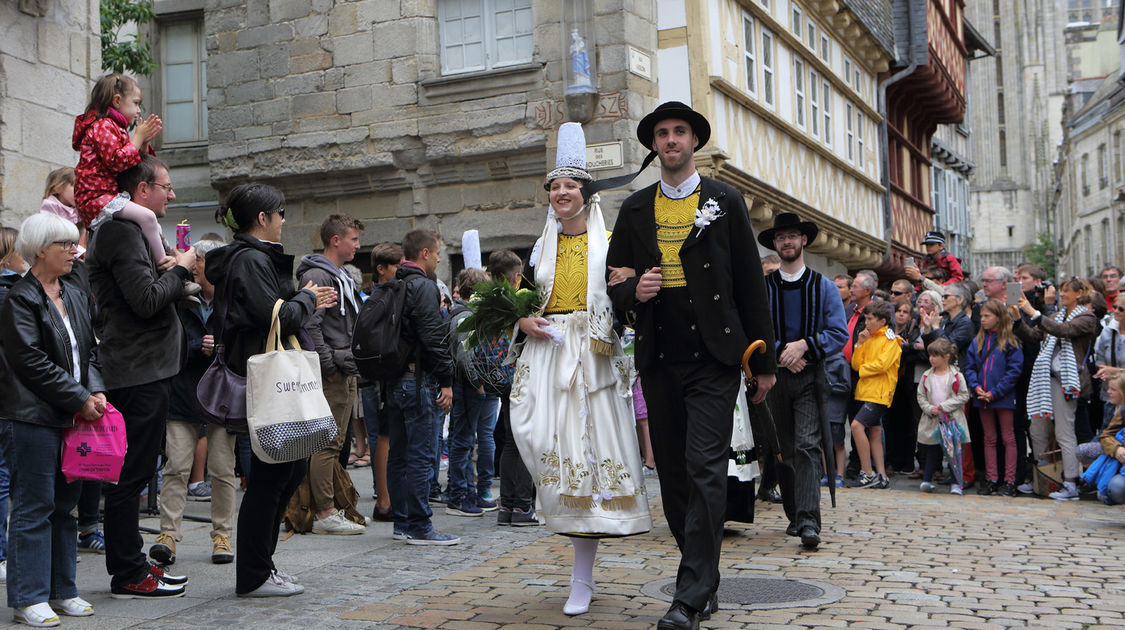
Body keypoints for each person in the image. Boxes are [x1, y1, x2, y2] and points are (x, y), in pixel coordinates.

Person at [605, 101, 776, 630]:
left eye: (680, 132)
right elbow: (612, 283)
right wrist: (637, 289)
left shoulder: (725, 201)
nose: (672, 140)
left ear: (694, 142)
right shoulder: (634, 208)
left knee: (705, 470)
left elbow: (750, 281)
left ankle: (689, 594)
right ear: (654, 145)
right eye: (663, 133)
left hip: (716, 357)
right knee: (674, 475)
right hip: (659, 355)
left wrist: (762, 360)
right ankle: (701, 577)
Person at [505, 122, 652, 615]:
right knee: (533, 432)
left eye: (569, 185)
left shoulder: (610, 244)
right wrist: (525, 320)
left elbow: (625, 300)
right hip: (547, 353)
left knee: (587, 459)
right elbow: (522, 302)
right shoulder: (539, 248)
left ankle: (581, 577)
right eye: (554, 187)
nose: (561, 192)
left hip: (592, 355)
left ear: (587, 194)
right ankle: (550, 518)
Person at [205, 182, 336, 596]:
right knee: (271, 475)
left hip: (266, 375)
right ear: (263, 218)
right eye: (280, 214)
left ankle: (263, 567)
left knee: (287, 468)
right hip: (265, 378)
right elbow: (276, 316)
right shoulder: (249, 260)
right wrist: (308, 298)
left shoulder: (251, 258)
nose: (283, 221)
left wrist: (304, 299)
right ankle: (255, 574)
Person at [85, 154, 195, 598]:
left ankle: (133, 566)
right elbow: (146, 301)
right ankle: (128, 572)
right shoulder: (120, 232)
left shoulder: (130, 232)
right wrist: (182, 269)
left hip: (147, 368)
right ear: (141, 190)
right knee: (131, 476)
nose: (171, 194)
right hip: (137, 371)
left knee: (136, 474)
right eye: (165, 187)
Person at [0, 213, 103, 625]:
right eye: (65, 245)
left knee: (66, 505)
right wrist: (80, 398)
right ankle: (28, 597)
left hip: (72, 413)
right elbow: (30, 362)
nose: (74, 251)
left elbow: (91, 350)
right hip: (31, 417)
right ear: (41, 249)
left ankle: (63, 591)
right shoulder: (18, 299)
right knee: (33, 505)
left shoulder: (74, 293)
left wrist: (95, 391)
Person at [758, 212, 847, 550]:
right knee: (783, 449)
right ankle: (794, 514)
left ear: (803, 240)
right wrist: (783, 351)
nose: (787, 242)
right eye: (781, 238)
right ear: (776, 244)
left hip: (810, 376)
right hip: (774, 378)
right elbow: (755, 331)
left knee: (808, 446)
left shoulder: (822, 286)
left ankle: (809, 520)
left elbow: (838, 332)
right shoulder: (763, 287)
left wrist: (805, 346)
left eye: (793, 236)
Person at [148, 238, 238, 567]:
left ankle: (222, 534)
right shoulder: (178, 296)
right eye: (196, 261)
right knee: (176, 467)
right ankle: (168, 534)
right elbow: (163, 341)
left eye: (198, 261)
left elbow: (245, 345)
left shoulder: (235, 299)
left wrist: (222, 347)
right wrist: (197, 344)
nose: (195, 266)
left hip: (222, 395)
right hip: (183, 390)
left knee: (223, 469)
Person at [72, 74, 197, 302]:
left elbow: (135, 165)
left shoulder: (115, 128)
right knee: (148, 217)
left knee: (153, 225)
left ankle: (170, 265)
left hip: (107, 194)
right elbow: (118, 161)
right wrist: (138, 137)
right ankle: (168, 272)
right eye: (136, 103)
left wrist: (144, 142)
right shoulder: (102, 126)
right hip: (96, 197)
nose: (139, 110)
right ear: (117, 101)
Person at [383, 229, 458, 545]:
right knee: (421, 455)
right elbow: (434, 340)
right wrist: (447, 380)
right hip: (419, 382)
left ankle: (402, 522)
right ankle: (419, 525)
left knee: (399, 454)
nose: (440, 258)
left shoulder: (393, 284)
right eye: (438, 253)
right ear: (425, 253)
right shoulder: (423, 287)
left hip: (395, 381)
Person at [295, 214, 367, 536]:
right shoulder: (317, 275)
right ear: (335, 240)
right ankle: (324, 512)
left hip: (344, 367)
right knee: (326, 443)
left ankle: (328, 505)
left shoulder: (339, 275)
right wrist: (329, 365)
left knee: (336, 441)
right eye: (353, 239)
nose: (358, 245)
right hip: (334, 371)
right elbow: (310, 324)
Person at [1013, 277, 1099, 500]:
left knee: (1064, 431)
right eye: (1061, 291)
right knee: (1037, 428)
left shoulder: (1087, 317)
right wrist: (1016, 317)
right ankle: (1043, 478)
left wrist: (1033, 312)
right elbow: (1033, 336)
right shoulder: (1054, 316)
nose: (1063, 295)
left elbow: (1064, 331)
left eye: (1067, 291)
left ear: (1079, 294)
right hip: (1045, 378)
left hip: (1067, 381)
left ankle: (1070, 483)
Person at [487, 249, 538, 526]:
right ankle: (521, 506)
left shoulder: (488, 298)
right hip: (518, 373)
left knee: (509, 441)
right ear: (517, 277)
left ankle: (506, 505)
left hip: (500, 376)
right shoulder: (515, 301)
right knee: (524, 440)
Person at [445, 267, 500, 517]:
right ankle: (459, 496)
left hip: (468, 383)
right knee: (463, 440)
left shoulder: (466, 314)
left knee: (465, 439)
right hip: (467, 385)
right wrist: (477, 383)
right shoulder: (464, 317)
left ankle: (467, 491)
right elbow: (465, 356)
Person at [964, 299, 1024, 497]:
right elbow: (970, 367)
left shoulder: (1011, 341)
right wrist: (977, 387)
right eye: (981, 316)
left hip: (1002, 396)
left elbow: (1014, 371)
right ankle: (991, 478)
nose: (983, 320)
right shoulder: (977, 341)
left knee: (1008, 438)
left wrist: (995, 392)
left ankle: (1009, 480)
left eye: (987, 316)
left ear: (999, 318)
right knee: (988, 438)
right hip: (982, 396)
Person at [360, 242, 402, 522]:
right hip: (379, 376)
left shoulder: (385, 296)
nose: (400, 272)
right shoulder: (379, 298)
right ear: (381, 269)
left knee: (384, 436)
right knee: (381, 436)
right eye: (397, 266)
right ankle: (384, 499)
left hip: (382, 375)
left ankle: (386, 497)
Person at [849, 300, 901, 489]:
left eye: (870, 319)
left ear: (882, 321)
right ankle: (881, 475)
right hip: (865, 391)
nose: (866, 323)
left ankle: (867, 472)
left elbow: (882, 365)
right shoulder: (868, 338)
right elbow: (855, 364)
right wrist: (860, 344)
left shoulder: (890, 340)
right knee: (875, 431)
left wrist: (863, 370)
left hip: (879, 393)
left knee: (856, 426)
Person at [916, 338, 971, 494]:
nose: (932, 359)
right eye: (930, 355)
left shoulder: (956, 375)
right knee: (932, 450)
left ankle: (956, 482)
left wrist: (944, 407)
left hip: (952, 420)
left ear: (947, 356)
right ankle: (927, 480)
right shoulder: (927, 375)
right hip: (933, 419)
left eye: (935, 355)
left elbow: (963, 395)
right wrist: (929, 408)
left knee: (953, 451)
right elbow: (921, 396)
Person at [1093, 294, 1125, 425]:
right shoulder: (1108, 331)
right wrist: (1103, 370)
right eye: (1114, 307)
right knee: (1106, 433)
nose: (1116, 311)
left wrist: (1114, 371)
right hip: (1111, 396)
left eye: (1121, 309)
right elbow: (1098, 356)